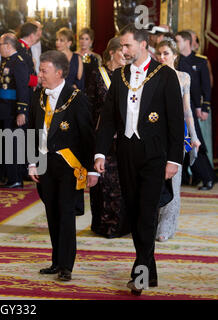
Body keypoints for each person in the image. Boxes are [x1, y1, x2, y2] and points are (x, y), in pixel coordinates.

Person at [94, 24, 184, 296]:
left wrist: (174, 161)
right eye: (122, 46)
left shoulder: (166, 75)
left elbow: (175, 122)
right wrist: (99, 153)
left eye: (127, 45)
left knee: (146, 213)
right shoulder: (120, 75)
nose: (123, 50)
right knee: (134, 213)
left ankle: (141, 275)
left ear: (143, 45)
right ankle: (151, 270)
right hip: (126, 154)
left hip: (155, 156)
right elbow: (108, 118)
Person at [28, 50, 97, 282]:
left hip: (69, 166)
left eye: (43, 71)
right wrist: (31, 162)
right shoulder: (38, 95)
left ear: (59, 72)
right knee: (52, 213)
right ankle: (56, 261)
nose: (40, 75)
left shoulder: (77, 98)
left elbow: (88, 137)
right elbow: (31, 131)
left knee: (66, 214)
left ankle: (67, 265)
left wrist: (92, 169)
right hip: (45, 165)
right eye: (40, 70)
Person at [155, 38, 201, 242]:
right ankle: (153, 221)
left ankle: (167, 225)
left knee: (174, 179)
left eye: (166, 53)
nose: (162, 57)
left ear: (175, 55)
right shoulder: (153, 76)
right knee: (155, 179)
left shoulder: (184, 77)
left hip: (177, 135)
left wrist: (194, 136)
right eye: (159, 53)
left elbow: (187, 111)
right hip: (156, 134)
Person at [87, 36, 128, 239]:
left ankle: (120, 225)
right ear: (111, 52)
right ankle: (102, 225)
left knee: (120, 182)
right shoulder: (97, 75)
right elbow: (89, 106)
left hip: (123, 138)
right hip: (101, 136)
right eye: (122, 51)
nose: (126, 55)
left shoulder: (128, 75)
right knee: (103, 182)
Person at [176, 31, 216, 190]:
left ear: (186, 42)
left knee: (194, 140)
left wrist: (204, 107)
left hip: (191, 108)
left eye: (178, 40)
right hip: (178, 106)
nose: (176, 43)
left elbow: (206, 86)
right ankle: (187, 177)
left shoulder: (200, 61)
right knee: (182, 143)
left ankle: (208, 177)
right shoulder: (176, 61)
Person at [0, 33, 31, 189]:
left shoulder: (19, 62)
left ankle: (16, 179)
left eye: (0, 44)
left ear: (8, 46)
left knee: (13, 144)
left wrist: (21, 111)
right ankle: (10, 177)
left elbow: (23, 88)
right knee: (7, 143)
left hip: (13, 109)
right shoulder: (7, 61)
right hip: (5, 108)